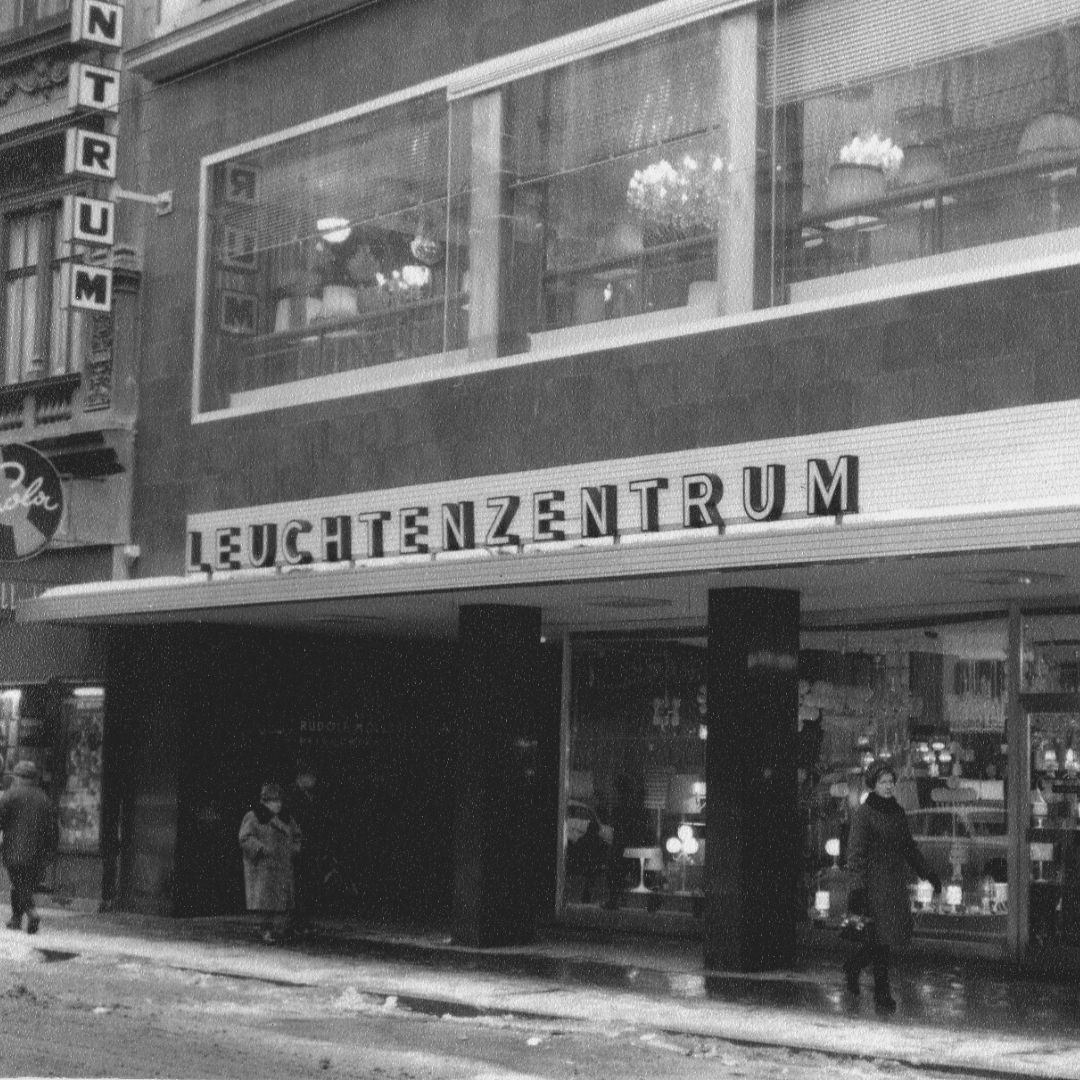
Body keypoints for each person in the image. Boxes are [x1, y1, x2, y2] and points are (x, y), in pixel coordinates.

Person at [844, 758, 942, 1012]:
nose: (888, 786)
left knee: (883, 939)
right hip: (873, 885)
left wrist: (928, 874)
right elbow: (855, 854)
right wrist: (857, 888)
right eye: (883, 782)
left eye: (890, 781)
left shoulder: (897, 812)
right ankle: (882, 994)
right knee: (880, 940)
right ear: (873, 784)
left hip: (894, 883)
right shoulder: (864, 814)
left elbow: (908, 847)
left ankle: (853, 966)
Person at [238, 781, 301, 944]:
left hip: (282, 865)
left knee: (281, 901)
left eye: (279, 801)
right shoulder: (254, 817)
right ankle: (264, 929)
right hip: (262, 866)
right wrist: (260, 849)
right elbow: (244, 837)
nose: (278, 804)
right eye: (274, 801)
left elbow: (297, 835)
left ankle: (279, 929)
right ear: (265, 802)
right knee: (265, 901)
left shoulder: (286, 818)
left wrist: (293, 850)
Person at [0, 760, 58, 934]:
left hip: (14, 849)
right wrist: (50, 851)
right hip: (38, 852)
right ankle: (16, 919)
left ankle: (31, 913)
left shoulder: (10, 795)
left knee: (18, 883)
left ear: (18, 776)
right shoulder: (44, 798)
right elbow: (53, 829)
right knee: (24, 884)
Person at [286, 764, 328, 932]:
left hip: (310, 845)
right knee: (297, 883)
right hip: (297, 844)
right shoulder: (291, 795)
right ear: (301, 777)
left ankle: (304, 920)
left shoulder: (311, 796)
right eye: (310, 776)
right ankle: (295, 921)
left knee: (308, 883)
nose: (313, 780)